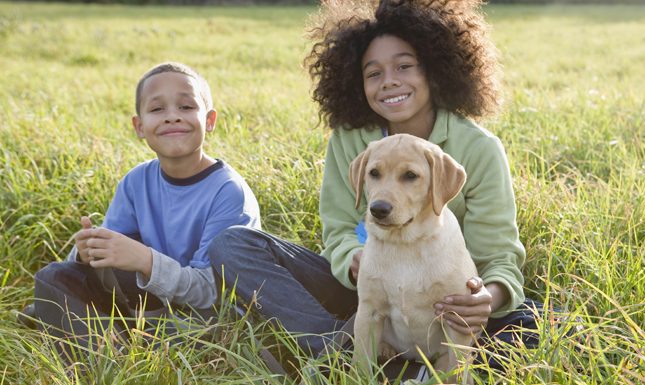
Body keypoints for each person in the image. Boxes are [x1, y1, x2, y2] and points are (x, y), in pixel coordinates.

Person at [210, 0, 547, 373]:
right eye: (373, 73)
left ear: (435, 70)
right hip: (370, 287)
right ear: (358, 82)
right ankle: (343, 347)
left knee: (551, 325)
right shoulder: (350, 140)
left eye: (405, 66)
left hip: (446, 302)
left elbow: (499, 256)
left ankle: (389, 363)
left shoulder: (478, 148)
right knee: (234, 244)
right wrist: (353, 259)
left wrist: (486, 299)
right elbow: (338, 229)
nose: (389, 81)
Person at [29, 62, 261, 354]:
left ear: (210, 120)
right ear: (139, 127)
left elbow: (211, 293)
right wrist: (89, 252)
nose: (172, 117)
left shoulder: (228, 191)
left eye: (187, 107)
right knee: (54, 277)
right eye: (156, 110)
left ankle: (112, 350)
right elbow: (111, 253)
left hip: (208, 322)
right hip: (150, 305)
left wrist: (146, 261)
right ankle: (100, 342)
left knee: (187, 335)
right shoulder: (136, 181)